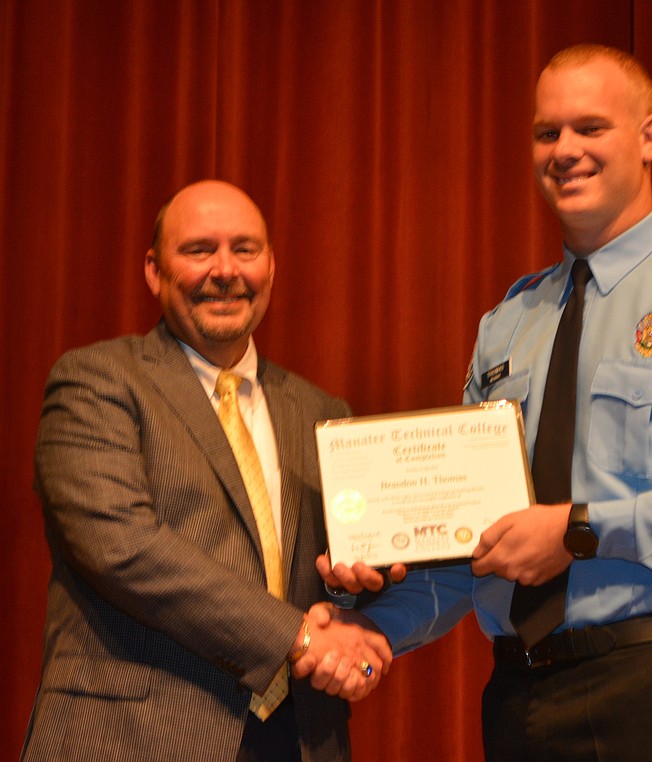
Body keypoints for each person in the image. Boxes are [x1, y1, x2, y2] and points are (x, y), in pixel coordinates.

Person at [317, 44, 652, 760]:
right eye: (547, 133)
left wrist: (581, 531)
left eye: (590, 128)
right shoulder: (508, 325)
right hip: (520, 698)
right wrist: (371, 625)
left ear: (650, 137)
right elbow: (478, 543)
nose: (565, 151)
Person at [21, 180, 392, 762]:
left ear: (271, 266)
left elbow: (341, 581)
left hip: (297, 739)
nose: (225, 270)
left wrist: (361, 618)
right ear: (154, 270)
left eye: (245, 249)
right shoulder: (96, 382)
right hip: (132, 737)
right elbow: (122, 547)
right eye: (198, 250)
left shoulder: (323, 414)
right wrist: (296, 636)